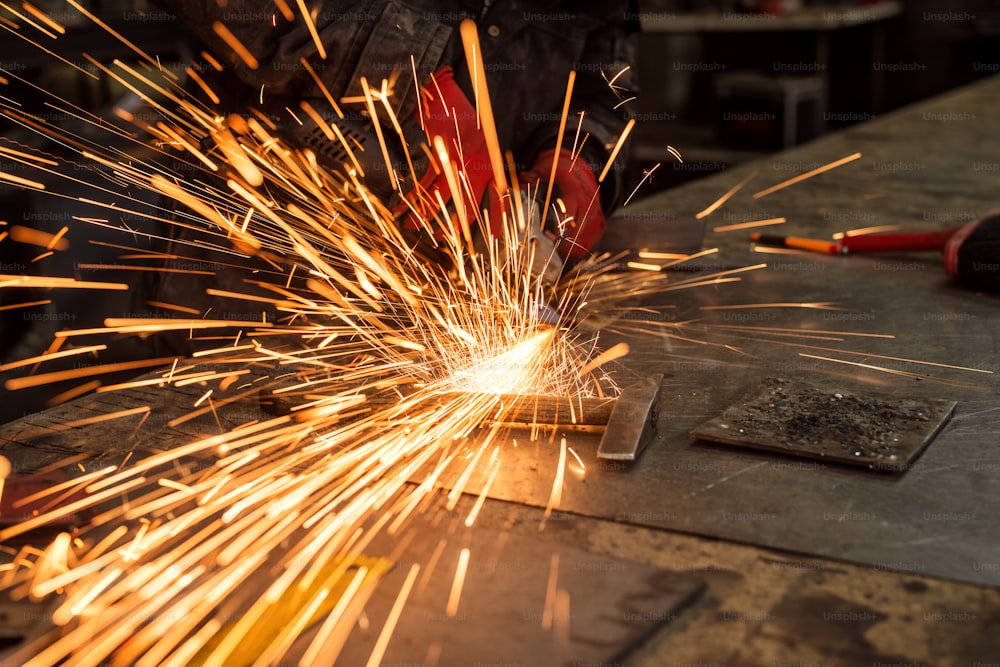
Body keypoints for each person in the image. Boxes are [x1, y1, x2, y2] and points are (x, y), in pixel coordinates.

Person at [154, 0, 637, 264]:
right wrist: (408, 76)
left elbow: (607, 73)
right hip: (258, 249)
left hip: (436, 293)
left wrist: (579, 156)